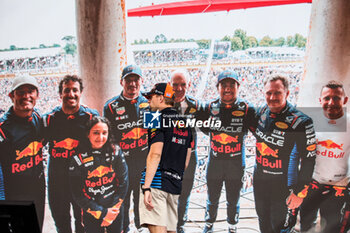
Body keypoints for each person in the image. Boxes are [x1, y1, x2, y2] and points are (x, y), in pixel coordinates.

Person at [253, 75, 316, 233]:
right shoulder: (260, 112)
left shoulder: (301, 122)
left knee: (279, 226)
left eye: (277, 93)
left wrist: (300, 191)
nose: (272, 97)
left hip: (284, 185)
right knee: (263, 221)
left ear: (287, 93)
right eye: (268, 93)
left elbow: (309, 160)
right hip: (260, 180)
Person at [200, 70, 256, 233]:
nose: (228, 89)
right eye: (224, 85)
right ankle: (209, 224)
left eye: (232, 85)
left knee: (233, 198)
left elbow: (257, 131)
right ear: (218, 87)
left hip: (236, 162)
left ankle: (232, 226)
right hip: (215, 161)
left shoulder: (246, 108)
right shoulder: (210, 107)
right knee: (212, 198)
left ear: (238, 87)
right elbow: (204, 128)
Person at [43, 75, 99, 233]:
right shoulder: (49, 119)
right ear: (60, 94)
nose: (71, 94)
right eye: (66, 90)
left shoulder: (91, 117)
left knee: (83, 225)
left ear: (81, 92)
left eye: (75, 90)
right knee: (62, 225)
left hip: (82, 182)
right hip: (57, 182)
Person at [140, 83, 193, 233]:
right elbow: (185, 162)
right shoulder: (186, 124)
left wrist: (146, 187)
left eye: (151, 97)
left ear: (161, 98)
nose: (149, 101)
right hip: (175, 184)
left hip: (156, 183)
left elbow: (155, 153)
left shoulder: (154, 117)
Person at [104, 64, 149, 232]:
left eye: (136, 80)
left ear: (141, 81)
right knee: (123, 198)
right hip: (122, 162)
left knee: (142, 197)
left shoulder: (149, 103)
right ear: (121, 82)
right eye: (128, 80)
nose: (132, 84)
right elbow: (109, 138)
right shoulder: (110, 107)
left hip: (144, 161)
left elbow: (154, 134)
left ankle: (141, 227)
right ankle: (124, 228)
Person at [300, 80, 350, 233]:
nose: (331, 102)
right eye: (327, 98)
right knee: (306, 226)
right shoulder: (310, 121)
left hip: (338, 186)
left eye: (336, 98)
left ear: (345, 100)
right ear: (320, 100)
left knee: (332, 229)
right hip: (312, 183)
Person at [0, 75, 45, 231]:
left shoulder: (39, 118)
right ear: (11, 95)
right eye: (21, 92)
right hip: (15, 196)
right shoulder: (2, 127)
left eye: (31, 91)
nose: (26, 96)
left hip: (38, 190)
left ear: (37, 95)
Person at [69, 116, 128, 233]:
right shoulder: (78, 159)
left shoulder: (115, 152)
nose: (100, 137)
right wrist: (103, 213)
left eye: (104, 133)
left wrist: (112, 212)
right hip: (91, 211)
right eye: (96, 133)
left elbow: (124, 183)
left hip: (115, 209)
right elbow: (78, 194)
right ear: (87, 134)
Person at [170, 69, 200, 233]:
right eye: (175, 84)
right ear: (170, 85)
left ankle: (180, 225)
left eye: (183, 84)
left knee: (184, 193)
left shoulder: (196, 105)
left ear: (189, 85)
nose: (179, 88)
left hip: (190, 156)